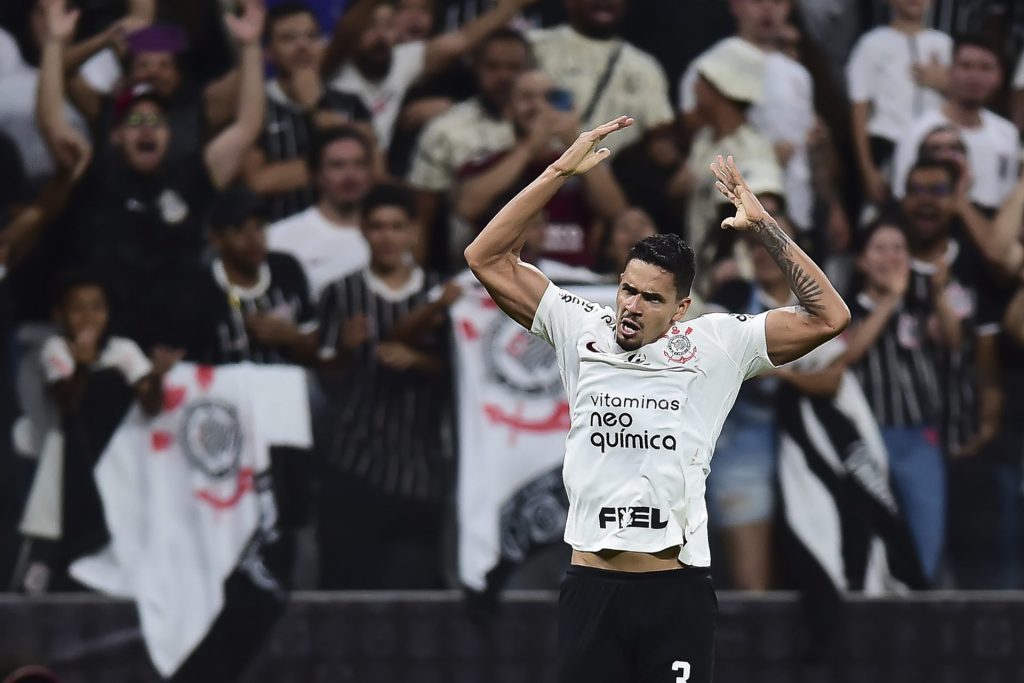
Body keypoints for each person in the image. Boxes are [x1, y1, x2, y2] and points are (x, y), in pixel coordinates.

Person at [464, 116, 850, 682]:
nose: (632, 306)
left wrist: (765, 226)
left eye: (651, 297)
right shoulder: (579, 327)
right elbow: (486, 257)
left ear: (681, 308)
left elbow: (829, 316)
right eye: (627, 288)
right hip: (590, 587)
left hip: (675, 590)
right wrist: (557, 172)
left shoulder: (717, 342)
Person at [35, 0, 266, 349]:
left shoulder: (194, 173)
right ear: (115, 133)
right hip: (112, 343)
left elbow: (247, 125)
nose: (147, 129)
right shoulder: (96, 171)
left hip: (186, 341)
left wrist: (249, 47)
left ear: (169, 133)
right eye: (136, 122)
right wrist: (54, 42)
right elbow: (52, 123)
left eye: (156, 121)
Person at [315, 183, 451, 589]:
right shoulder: (339, 294)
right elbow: (326, 379)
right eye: (377, 227)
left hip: (419, 471)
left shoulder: (441, 295)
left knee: (416, 598)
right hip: (353, 465)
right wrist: (343, 349)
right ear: (363, 231)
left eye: (396, 226)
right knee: (348, 594)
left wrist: (419, 361)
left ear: (412, 231)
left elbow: (458, 378)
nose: (387, 237)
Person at [840, 220, 955, 582]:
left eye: (899, 248)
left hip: (921, 437)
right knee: (875, 538)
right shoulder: (845, 309)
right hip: (869, 439)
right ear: (861, 261)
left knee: (927, 533)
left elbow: (953, 339)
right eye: (881, 248)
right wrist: (890, 299)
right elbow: (850, 354)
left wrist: (938, 293)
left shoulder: (920, 303)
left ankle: (921, 607)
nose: (891, 257)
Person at [453, 68, 627, 267]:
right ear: (508, 110)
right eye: (527, 97)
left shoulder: (579, 162)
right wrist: (529, 147)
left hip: (572, 284)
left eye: (549, 97)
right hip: (500, 279)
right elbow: (466, 208)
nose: (540, 106)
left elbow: (616, 212)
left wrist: (575, 140)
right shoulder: (486, 163)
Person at [321, 0, 539, 149]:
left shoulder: (400, 60)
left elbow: (462, 40)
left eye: (388, 26)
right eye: (370, 27)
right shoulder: (330, 68)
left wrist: (512, 5)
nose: (381, 36)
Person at [407, 27, 532, 259]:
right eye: (493, 66)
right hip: (467, 265)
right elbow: (422, 218)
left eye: (514, 67)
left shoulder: (552, 126)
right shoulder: (446, 130)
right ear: (476, 68)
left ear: (529, 71)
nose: (504, 76)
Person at [244, 1, 375, 222]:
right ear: (268, 53)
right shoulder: (257, 110)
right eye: (288, 39)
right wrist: (342, 171)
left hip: (347, 231)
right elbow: (258, 182)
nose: (302, 46)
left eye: (311, 37)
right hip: (281, 231)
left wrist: (315, 107)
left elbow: (374, 169)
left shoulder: (350, 103)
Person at [172, 186, 319, 367]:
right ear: (216, 239)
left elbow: (320, 351)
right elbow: (190, 369)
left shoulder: (286, 269)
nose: (253, 239)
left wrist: (292, 337)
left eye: (259, 226)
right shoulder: (198, 292)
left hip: (290, 387)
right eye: (238, 229)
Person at [669, 38, 781, 269]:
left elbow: (761, 216)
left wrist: (728, 263)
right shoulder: (704, 141)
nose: (695, 88)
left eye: (702, 82)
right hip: (701, 270)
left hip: (737, 273)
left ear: (720, 89)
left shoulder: (752, 147)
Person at [891, 35, 1020, 213]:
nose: (975, 76)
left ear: (999, 77)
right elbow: (902, 196)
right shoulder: (918, 130)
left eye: (985, 68)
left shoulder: (1008, 133)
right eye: (966, 66)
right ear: (950, 71)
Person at [528, 0, 674, 156]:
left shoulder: (644, 66)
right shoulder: (535, 46)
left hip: (609, 171)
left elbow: (659, 128)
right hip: (539, 167)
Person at [846, 0, 952, 207]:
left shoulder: (944, 44)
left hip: (933, 148)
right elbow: (859, 109)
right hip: (886, 145)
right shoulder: (872, 43)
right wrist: (867, 169)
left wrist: (944, 83)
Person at [267, 127, 374, 300]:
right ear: (315, 175)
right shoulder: (278, 239)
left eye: (359, 164)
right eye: (337, 166)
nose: (350, 176)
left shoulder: (395, 234)